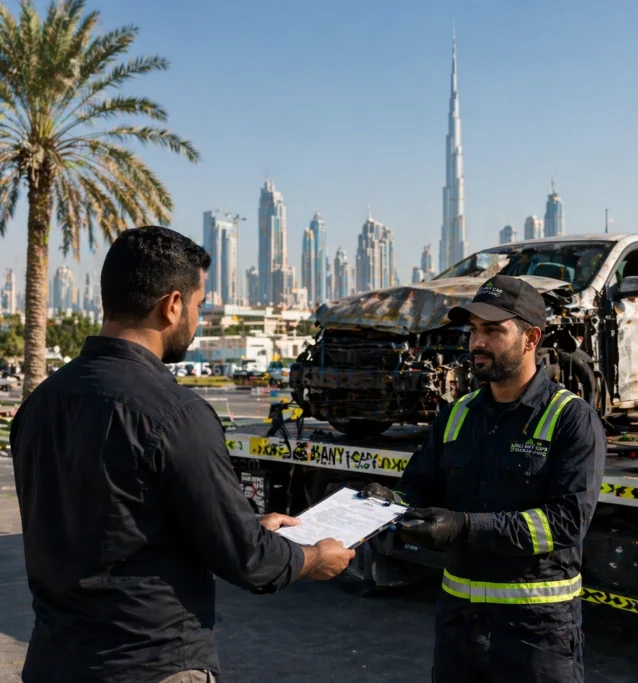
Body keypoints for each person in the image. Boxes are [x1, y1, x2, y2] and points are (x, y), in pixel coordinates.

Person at [11, 227, 355, 683]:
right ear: (172, 305)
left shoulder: (41, 402)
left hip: (54, 662)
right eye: (197, 306)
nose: (197, 319)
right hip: (149, 665)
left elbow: (115, 519)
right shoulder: (175, 413)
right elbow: (250, 562)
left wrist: (247, 526)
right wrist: (315, 556)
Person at [364, 274, 606, 682]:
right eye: (474, 330)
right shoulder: (457, 414)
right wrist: (390, 501)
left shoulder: (571, 419)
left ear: (531, 339)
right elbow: (420, 486)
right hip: (459, 625)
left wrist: (463, 527)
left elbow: (565, 523)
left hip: (536, 633)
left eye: (493, 330)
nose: (477, 342)